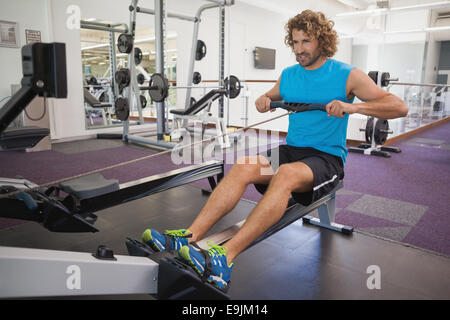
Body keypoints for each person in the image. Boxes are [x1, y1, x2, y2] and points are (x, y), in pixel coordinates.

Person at [141, 10, 408, 290]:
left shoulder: (347, 75)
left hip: (326, 158)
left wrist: (353, 106)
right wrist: (264, 99)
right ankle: (189, 236)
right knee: (244, 165)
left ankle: (225, 257)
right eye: (294, 42)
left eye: (306, 42)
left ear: (322, 41)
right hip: (291, 150)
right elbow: (271, 95)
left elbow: (398, 106)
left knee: (286, 175)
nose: (299, 49)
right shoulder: (289, 75)